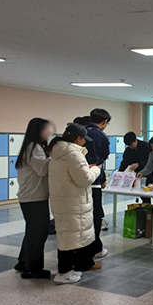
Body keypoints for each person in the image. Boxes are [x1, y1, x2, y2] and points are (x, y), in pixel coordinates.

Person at [48, 123, 102, 284]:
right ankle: (64, 272)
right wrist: (96, 169)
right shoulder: (73, 155)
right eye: (83, 139)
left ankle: (71, 267)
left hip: (63, 201)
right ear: (77, 138)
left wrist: (87, 168)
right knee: (70, 238)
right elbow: (84, 179)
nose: (84, 142)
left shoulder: (57, 153)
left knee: (67, 235)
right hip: (74, 203)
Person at [14, 118, 53, 279]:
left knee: (32, 231)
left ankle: (23, 262)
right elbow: (42, 169)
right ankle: (33, 269)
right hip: (34, 197)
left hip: (31, 197)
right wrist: (57, 157)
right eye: (46, 130)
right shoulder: (34, 147)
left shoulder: (32, 147)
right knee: (38, 233)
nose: (49, 132)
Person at [84, 108, 111, 259]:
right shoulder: (101, 135)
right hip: (94, 180)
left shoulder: (82, 132)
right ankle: (95, 248)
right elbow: (104, 156)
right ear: (104, 122)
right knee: (95, 215)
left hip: (78, 180)